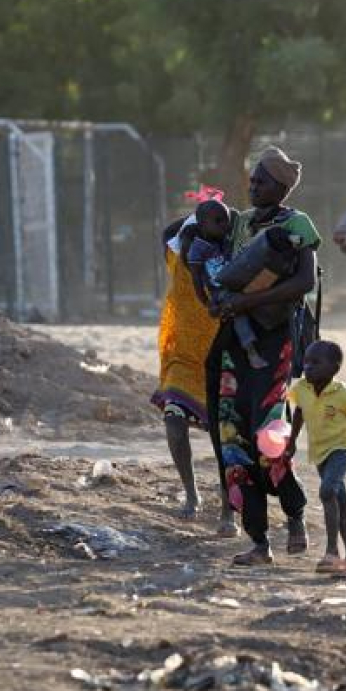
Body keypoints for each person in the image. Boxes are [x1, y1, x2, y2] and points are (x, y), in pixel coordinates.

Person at [206, 146, 321, 565]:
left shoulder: (297, 225)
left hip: (275, 341)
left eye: (262, 181)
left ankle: (294, 514)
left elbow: (304, 282)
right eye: (252, 180)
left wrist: (248, 303)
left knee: (268, 437)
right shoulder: (238, 224)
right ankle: (258, 541)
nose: (253, 186)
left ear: (282, 187)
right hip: (235, 343)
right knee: (233, 438)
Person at [285, 341, 346, 576]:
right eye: (306, 362)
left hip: (341, 448)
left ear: (334, 368)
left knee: (327, 492)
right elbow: (299, 412)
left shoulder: (344, 394)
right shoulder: (301, 389)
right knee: (340, 498)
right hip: (319, 451)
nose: (308, 367)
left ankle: (331, 551)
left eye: (316, 363)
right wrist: (292, 440)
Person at [152, 214, 220, 518]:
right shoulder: (176, 264)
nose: (193, 250)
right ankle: (192, 495)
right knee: (174, 422)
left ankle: (229, 507)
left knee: (224, 437)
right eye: (189, 242)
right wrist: (199, 213)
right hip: (182, 361)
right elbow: (167, 232)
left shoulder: (225, 270)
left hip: (221, 362)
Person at [185, 199, 268, 369]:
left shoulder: (225, 240)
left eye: (226, 221)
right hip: (221, 292)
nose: (224, 225)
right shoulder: (197, 249)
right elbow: (196, 279)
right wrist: (208, 303)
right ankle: (251, 350)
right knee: (238, 312)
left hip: (237, 283)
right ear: (202, 224)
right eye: (218, 221)